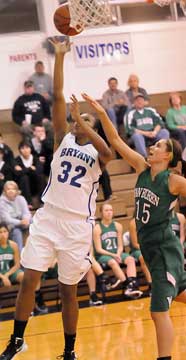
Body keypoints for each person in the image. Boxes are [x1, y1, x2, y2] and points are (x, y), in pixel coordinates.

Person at [0, 39, 112, 360]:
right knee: (28, 280)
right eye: (78, 119)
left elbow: (108, 150)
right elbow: (59, 97)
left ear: (93, 128)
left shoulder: (97, 153)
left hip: (76, 227)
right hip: (49, 218)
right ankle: (17, 340)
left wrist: (88, 123)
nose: (79, 121)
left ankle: (68, 350)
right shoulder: (62, 140)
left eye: (86, 120)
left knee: (67, 291)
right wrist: (60, 57)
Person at [80, 93, 186, 360]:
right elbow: (115, 140)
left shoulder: (172, 181)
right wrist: (102, 113)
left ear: (168, 156)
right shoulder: (141, 167)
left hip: (164, 250)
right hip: (151, 249)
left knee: (158, 311)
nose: (153, 146)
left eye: (159, 144)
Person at [94, 203, 142, 299]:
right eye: (106, 210)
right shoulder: (97, 228)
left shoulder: (118, 226)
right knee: (113, 262)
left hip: (116, 252)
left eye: (111, 210)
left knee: (130, 259)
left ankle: (131, 285)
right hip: (103, 255)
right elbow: (98, 249)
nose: (109, 212)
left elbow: (120, 245)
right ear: (101, 213)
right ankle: (126, 284)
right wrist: (114, 255)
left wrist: (118, 254)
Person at [124, 93, 169, 158]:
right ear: (134, 102)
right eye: (137, 100)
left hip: (153, 134)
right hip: (140, 137)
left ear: (144, 102)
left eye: (141, 100)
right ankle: (144, 159)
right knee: (137, 136)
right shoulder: (130, 113)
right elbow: (129, 128)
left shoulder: (151, 110)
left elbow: (160, 122)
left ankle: (163, 155)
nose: (139, 101)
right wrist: (146, 133)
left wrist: (155, 132)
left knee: (165, 132)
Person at [0, 181, 32, 252]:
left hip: (22, 222)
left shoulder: (21, 198)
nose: (11, 191)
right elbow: (6, 219)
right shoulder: (1, 202)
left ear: (16, 190)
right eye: (8, 189)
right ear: (5, 191)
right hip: (9, 225)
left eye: (13, 189)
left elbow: (26, 212)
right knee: (16, 231)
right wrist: (20, 222)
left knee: (33, 221)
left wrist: (26, 219)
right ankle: (19, 254)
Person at [14, 141, 46, 207]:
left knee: (41, 177)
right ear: (20, 150)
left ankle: (42, 201)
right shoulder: (17, 160)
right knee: (24, 178)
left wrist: (23, 170)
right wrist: (30, 169)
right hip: (24, 186)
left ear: (30, 149)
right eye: (22, 148)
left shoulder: (35, 158)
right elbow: (17, 174)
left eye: (27, 148)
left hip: (35, 185)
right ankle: (28, 203)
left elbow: (39, 171)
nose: (25, 150)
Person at [128, 217, 152, 292]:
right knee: (143, 257)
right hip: (138, 249)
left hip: (151, 247)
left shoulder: (152, 219)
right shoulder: (133, 223)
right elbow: (135, 244)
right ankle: (151, 284)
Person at [0, 223, 24, 288]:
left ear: (8, 232)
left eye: (5, 231)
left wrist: (7, 275)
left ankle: (23, 297)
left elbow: (17, 265)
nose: (3, 234)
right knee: (6, 285)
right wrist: (3, 277)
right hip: (0, 274)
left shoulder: (13, 245)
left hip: (10, 272)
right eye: (0, 232)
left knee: (23, 276)